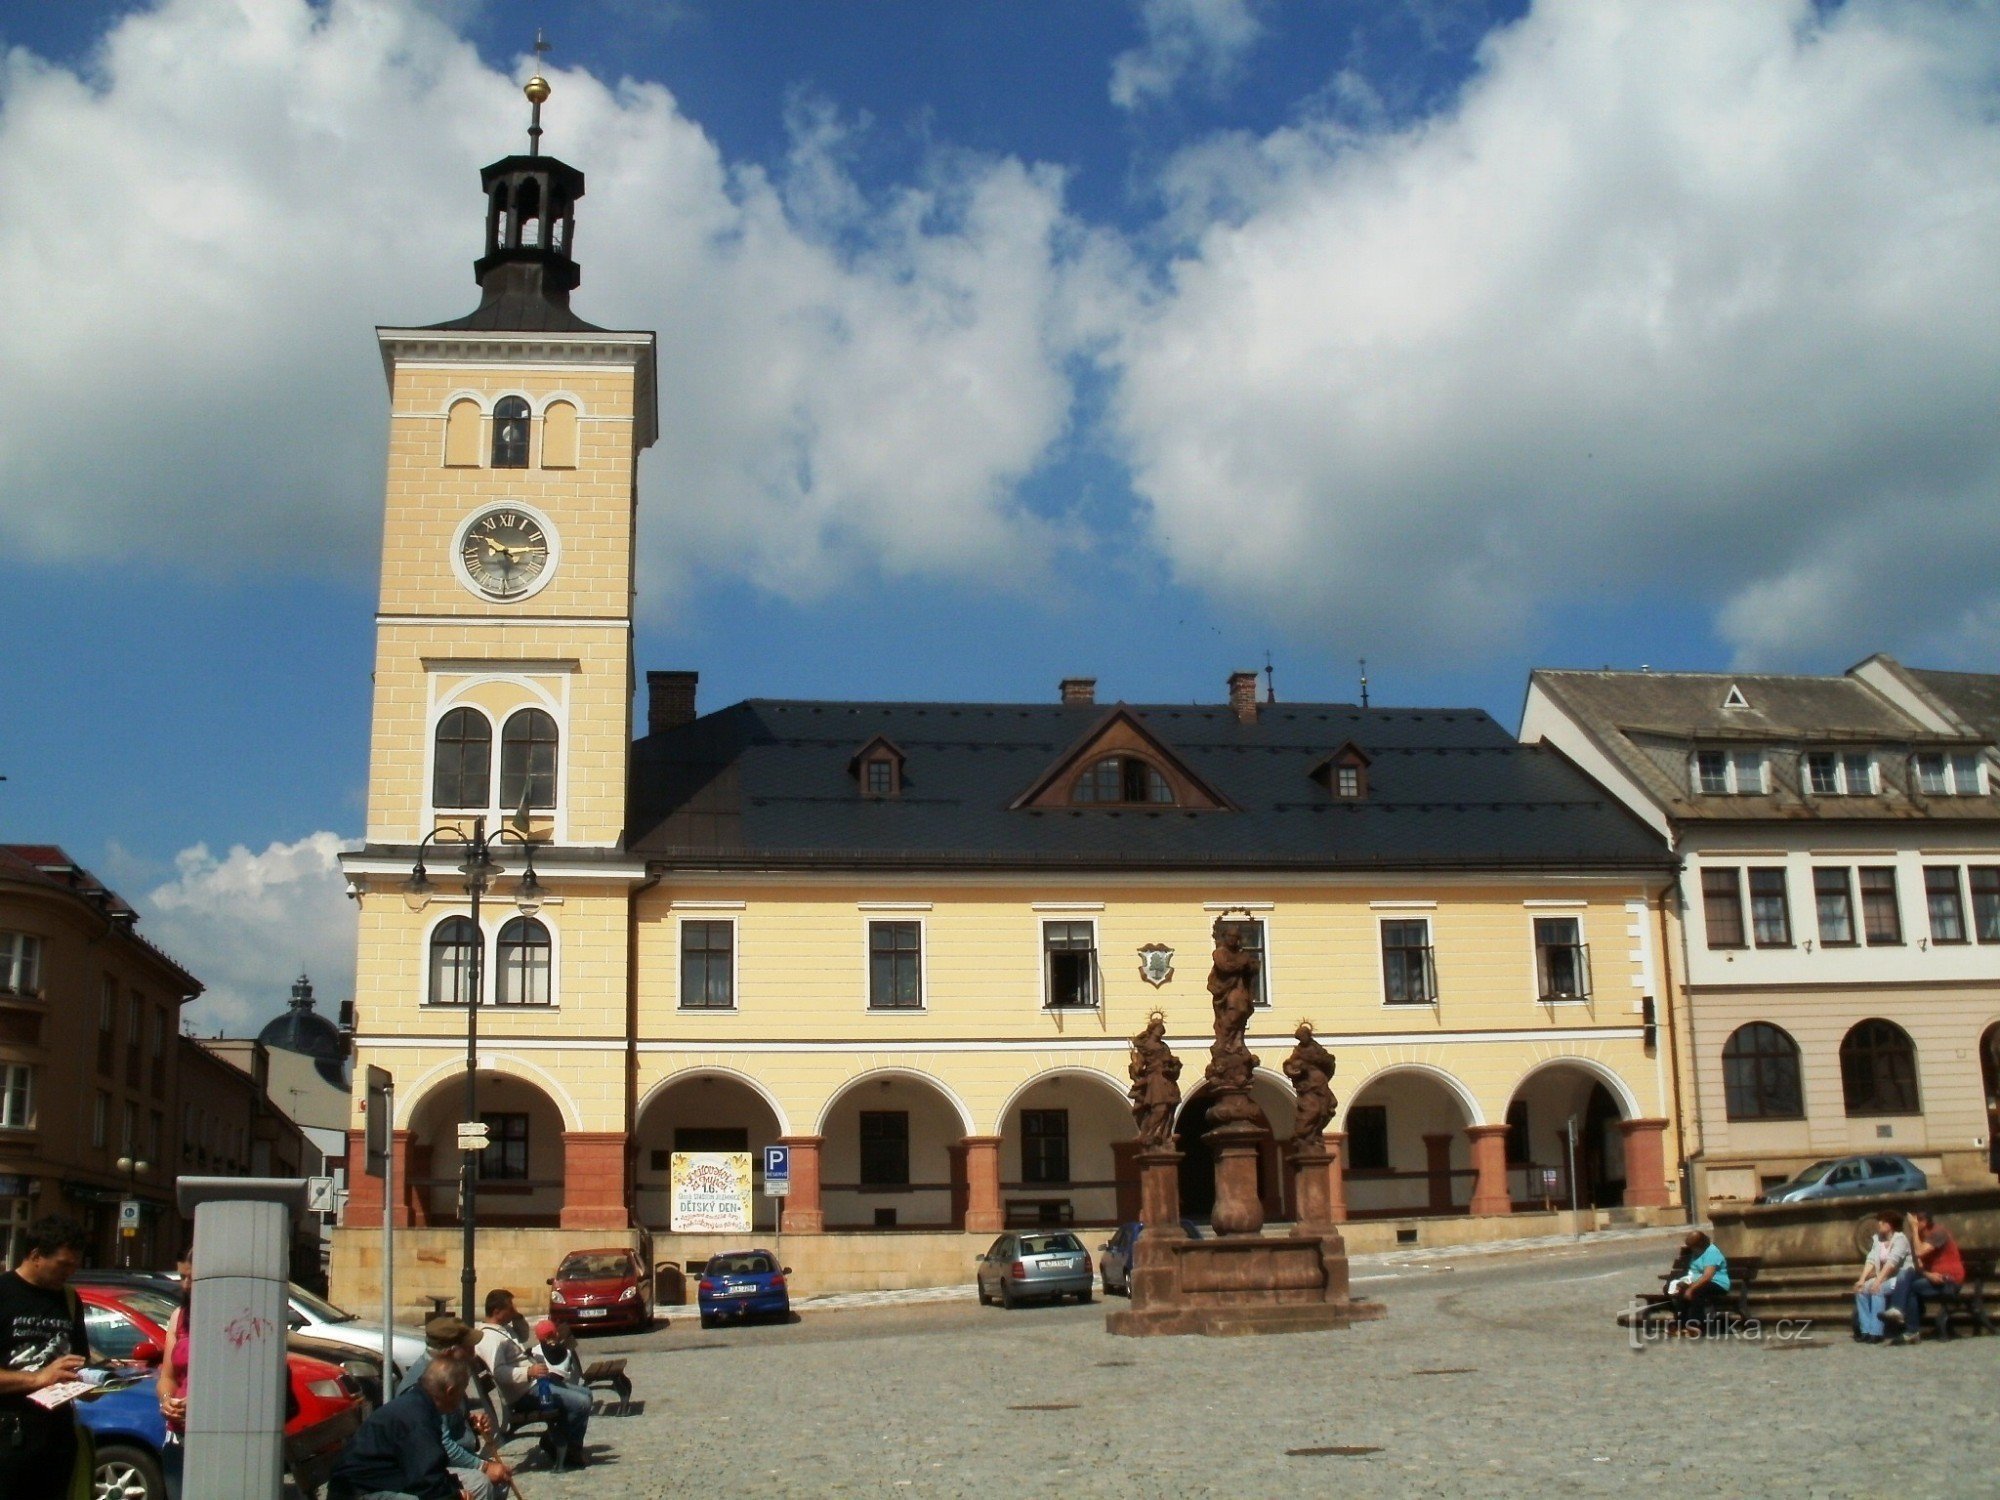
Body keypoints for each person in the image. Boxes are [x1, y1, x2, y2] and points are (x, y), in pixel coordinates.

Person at [0, 1214, 91, 1500]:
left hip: (57, 1434)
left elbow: (79, 1360)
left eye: (75, 1265)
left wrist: (93, 1382)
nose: (70, 1272)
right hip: (9, 1435)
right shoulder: (4, 1293)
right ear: (36, 1255)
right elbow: (43, 1375)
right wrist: (39, 1378)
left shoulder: (68, 1299)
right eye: (63, 1264)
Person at [327, 1359, 475, 1500]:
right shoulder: (417, 1419)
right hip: (357, 1493)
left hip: (381, 1484)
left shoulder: (420, 1405)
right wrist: (453, 1496)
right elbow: (426, 1479)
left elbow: (430, 1469)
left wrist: (454, 1490)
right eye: (462, 1391)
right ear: (450, 1391)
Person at [475, 1289, 590, 1470]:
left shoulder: (503, 1328)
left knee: (587, 1394)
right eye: (510, 1308)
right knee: (581, 1403)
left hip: (536, 1383)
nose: (513, 1310)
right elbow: (499, 1373)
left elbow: (522, 1335)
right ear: (497, 1311)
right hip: (524, 1393)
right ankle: (563, 1446)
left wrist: (517, 1315)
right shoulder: (489, 1338)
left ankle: (563, 1442)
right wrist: (529, 1371)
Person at [415, 1315, 511, 1499]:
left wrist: (469, 1422)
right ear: (450, 1352)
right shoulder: (429, 1381)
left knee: (501, 1476)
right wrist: (482, 1466)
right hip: (431, 1466)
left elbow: (451, 1415)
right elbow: (442, 1444)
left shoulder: (448, 1370)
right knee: (482, 1483)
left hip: (452, 1456)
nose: (473, 1353)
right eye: (468, 1347)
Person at [1890, 1207, 1965, 1338]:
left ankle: (1912, 1330)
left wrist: (1913, 1230)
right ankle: (1897, 1310)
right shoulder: (1917, 1237)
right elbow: (1917, 1265)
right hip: (1934, 1277)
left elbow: (1919, 1252)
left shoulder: (1938, 1232)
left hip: (1949, 1279)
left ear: (1925, 1221)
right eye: (1912, 1221)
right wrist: (1928, 1274)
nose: (1914, 1223)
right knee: (1907, 1274)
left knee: (1912, 1288)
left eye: (1917, 1220)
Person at [156, 1248, 195, 1500]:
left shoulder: (231, 1318)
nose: (186, 1285)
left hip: (215, 1436)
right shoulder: (179, 1317)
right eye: (182, 1277)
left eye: (193, 1277)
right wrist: (167, 1400)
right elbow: (167, 1377)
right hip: (178, 1434)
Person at [1853, 1209, 1912, 1343]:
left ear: (1890, 1225)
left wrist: (1878, 1281)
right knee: (1861, 1291)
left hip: (1899, 1278)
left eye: (1882, 1222)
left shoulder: (1900, 1239)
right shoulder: (1878, 1240)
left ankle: (1876, 1332)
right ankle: (1866, 1330)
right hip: (1883, 1277)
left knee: (1877, 1290)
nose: (1879, 1224)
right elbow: (1871, 1260)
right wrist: (1862, 1280)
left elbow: (1892, 1263)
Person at [1665, 1230, 1731, 1332]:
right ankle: (1681, 1324)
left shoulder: (1711, 1252)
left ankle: (1697, 1324)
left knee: (1697, 1291)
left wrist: (1691, 1289)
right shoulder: (1695, 1253)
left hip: (1717, 1283)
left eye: (1693, 1246)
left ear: (1700, 1244)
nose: (1692, 1249)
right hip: (1698, 1282)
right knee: (1678, 1290)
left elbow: (1707, 1276)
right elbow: (1692, 1273)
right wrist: (1682, 1283)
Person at [531, 1320, 582, 1386]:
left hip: (551, 1387)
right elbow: (577, 1372)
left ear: (537, 1338)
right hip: (572, 1386)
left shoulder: (534, 1352)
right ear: (557, 1334)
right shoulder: (567, 1351)